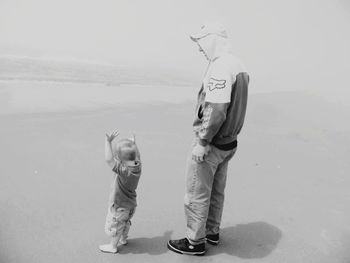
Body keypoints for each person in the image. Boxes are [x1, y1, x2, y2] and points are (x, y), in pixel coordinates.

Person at [167, 23, 249, 256]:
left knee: (197, 192)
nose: (199, 49)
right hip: (229, 143)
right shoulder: (239, 64)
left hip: (213, 143)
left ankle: (195, 241)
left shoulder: (221, 66)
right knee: (216, 190)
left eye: (201, 42)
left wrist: (202, 142)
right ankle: (212, 231)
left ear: (213, 39)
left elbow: (217, 109)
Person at [99, 131, 142, 254]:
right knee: (125, 222)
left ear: (119, 160)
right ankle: (123, 239)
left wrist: (108, 142)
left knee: (117, 225)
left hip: (120, 206)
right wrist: (133, 144)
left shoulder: (123, 171)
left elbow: (108, 160)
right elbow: (137, 155)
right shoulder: (138, 166)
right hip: (131, 205)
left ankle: (113, 246)